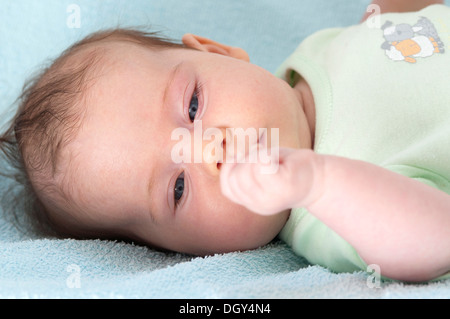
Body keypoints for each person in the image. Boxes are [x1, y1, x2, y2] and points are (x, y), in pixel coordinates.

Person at [0, 0, 448, 282]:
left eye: (193, 107)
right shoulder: (330, 218)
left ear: (217, 53)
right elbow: (436, 238)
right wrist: (318, 182)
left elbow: (402, 23)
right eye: (178, 187)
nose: (209, 149)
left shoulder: (314, 56)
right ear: (184, 250)